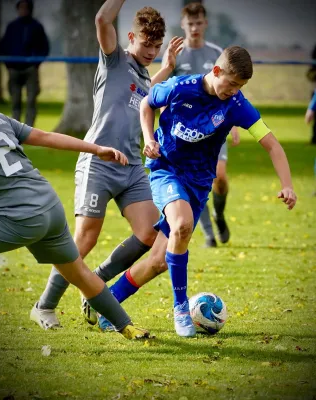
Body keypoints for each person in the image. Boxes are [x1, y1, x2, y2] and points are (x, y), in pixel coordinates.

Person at [100, 46, 297, 337]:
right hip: (165, 170)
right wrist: (149, 138)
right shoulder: (180, 88)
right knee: (182, 225)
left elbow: (272, 144)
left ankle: (106, 302)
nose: (233, 91)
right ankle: (181, 309)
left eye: (240, 87)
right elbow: (146, 104)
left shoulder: (237, 105)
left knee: (158, 261)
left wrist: (287, 185)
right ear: (216, 71)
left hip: (199, 184)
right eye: (231, 84)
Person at [31, 0, 183, 330]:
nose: (151, 51)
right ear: (131, 37)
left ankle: (96, 280)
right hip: (98, 164)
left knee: (148, 233)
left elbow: (146, 90)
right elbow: (102, 18)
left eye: (156, 46)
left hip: (131, 169)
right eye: (146, 44)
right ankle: (44, 306)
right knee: (84, 240)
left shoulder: (145, 77)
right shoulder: (113, 59)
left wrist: (168, 66)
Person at [0, 111, 150, 340]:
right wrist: (96, 149)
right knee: (80, 274)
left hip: (22, 217)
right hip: (49, 206)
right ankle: (126, 326)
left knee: (80, 273)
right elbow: (46, 137)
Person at [162, 2, 240, 247]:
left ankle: (218, 213)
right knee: (195, 180)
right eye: (190, 23)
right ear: (183, 24)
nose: (194, 28)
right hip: (185, 132)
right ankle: (208, 234)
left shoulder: (217, 53)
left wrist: (235, 124)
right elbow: (165, 92)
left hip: (215, 129)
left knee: (220, 178)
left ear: (205, 24)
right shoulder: (177, 54)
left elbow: (231, 89)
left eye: (198, 23)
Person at [0, 0, 49, 126]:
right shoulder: (12, 27)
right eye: (21, 8)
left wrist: (36, 63)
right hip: (14, 69)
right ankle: (15, 128)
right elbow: (4, 46)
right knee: (15, 101)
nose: (23, 11)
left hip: (30, 69)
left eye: (25, 8)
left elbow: (44, 47)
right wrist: (8, 64)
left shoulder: (36, 27)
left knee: (31, 100)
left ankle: (29, 129)